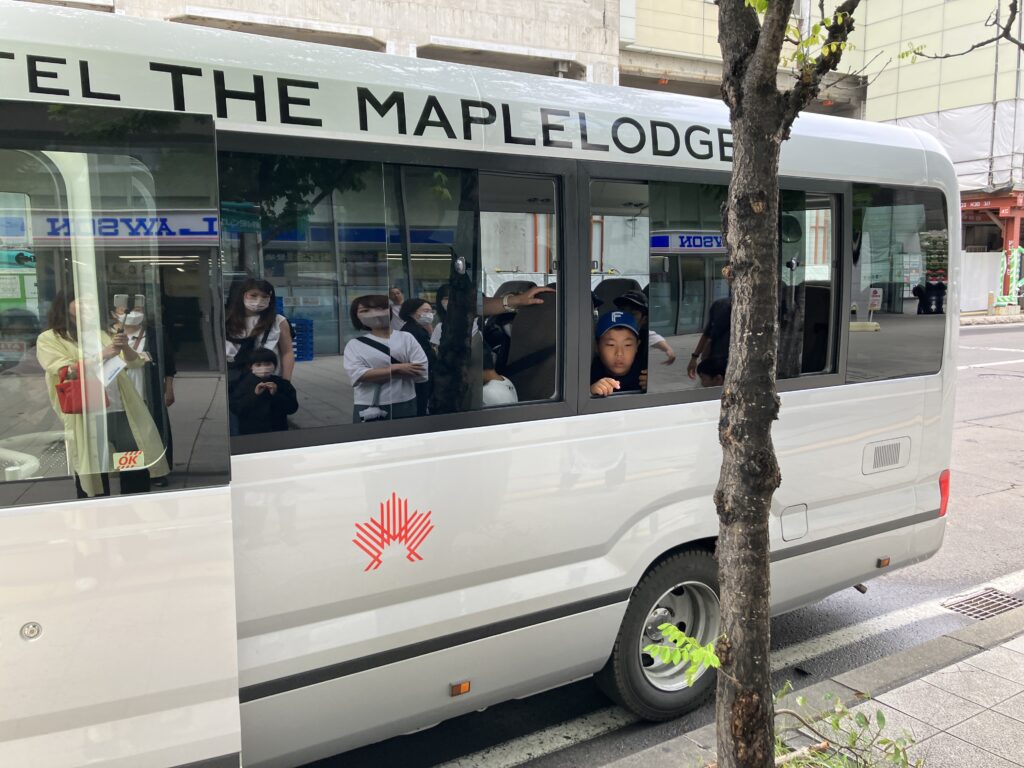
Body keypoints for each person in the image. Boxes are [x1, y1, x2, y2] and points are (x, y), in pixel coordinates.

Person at [36, 289, 170, 497]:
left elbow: (133, 362)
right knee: (94, 469)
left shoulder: (101, 333)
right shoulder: (50, 338)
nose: (89, 308)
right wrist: (103, 354)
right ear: (65, 306)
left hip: (120, 409)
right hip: (87, 413)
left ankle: (134, 503)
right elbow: (65, 371)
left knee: (133, 463)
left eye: (92, 303)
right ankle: (97, 508)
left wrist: (125, 347)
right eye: (82, 303)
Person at [110, 295, 176, 484]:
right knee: (126, 434)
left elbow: (168, 363)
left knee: (151, 430)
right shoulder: (105, 335)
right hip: (117, 392)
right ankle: (130, 472)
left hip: (147, 390)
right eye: (125, 310)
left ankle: (157, 471)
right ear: (113, 313)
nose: (132, 314)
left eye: (138, 310)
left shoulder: (154, 333)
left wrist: (169, 388)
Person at [343, 294, 428, 422]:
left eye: (380, 308)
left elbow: (421, 370)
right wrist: (396, 368)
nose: (374, 314)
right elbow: (357, 374)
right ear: (356, 317)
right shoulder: (354, 345)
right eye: (365, 311)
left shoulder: (406, 338)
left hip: (405, 401)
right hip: (368, 405)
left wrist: (375, 372)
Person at [225, 278, 294, 383]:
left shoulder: (278, 321)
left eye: (264, 296)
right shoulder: (227, 321)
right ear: (243, 295)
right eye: (253, 295)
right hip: (235, 379)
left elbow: (287, 353)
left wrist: (286, 382)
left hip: (269, 379)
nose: (258, 300)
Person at [229, 348, 298, 434]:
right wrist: (254, 395)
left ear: (275, 366)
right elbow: (236, 408)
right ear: (251, 367)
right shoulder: (242, 384)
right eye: (258, 365)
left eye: (268, 364)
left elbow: (292, 408)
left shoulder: (282, 384)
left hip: (278, 430)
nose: (264, 368)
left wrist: (276, 394)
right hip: (251, 432)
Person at [687, 266, 733, 381]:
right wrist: (695, 357)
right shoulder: (720, 305)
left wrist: (695, 357)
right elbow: (708, 334)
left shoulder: (720, 305)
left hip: (720, 359)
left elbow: (708, 334)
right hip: (718, 359)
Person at [613, 289, 677, 365]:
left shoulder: (643, 335)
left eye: (633, 314)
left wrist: (668, 349)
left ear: (644, 319)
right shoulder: (608, 332)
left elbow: (654, 338)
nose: (626, 317)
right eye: (623, 311)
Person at [590, 310, 645, 397]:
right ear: (597, 347)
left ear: (637, 346)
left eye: (627, 345)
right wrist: (590, 392)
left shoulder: (645, 371)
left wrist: (653, 387)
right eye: (611, 345)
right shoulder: (587, 373)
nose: (619, 353)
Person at [398, 297, 437, 416]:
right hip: (419, 377)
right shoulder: (413, 331)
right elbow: (427, 355)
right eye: (425, 311)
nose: (429, 314)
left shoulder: (414, 328)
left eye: (431, 311)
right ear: (412, 312)